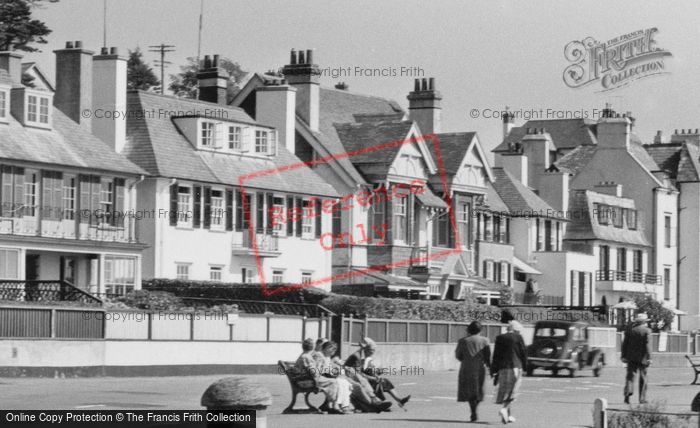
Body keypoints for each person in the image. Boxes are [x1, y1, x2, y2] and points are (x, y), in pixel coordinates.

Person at [345, 337, 411, 408]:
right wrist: (372, 378)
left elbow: (370, 369)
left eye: (374, 350)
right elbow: (358, 374)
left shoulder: (366, 356)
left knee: (384, 381)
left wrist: (377, 373)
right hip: (353, 377)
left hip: (362, 377)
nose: (373, 352)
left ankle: (399, 400)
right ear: (365, 349)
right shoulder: (356, 356)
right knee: (377, 383)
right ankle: (378, 403)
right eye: (371, 350)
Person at [491, 320, 527, 424]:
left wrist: (494, 370)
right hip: (515, 367)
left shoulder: (500, 338)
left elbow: (496, 355)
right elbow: (523, 353)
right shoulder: (518, 337)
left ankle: (508, 415)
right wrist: (525, 367)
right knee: (513, 391)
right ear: (516, 330)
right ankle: (504, 409)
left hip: (502, 368)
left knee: (506, 390)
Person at [456, 321, 491, 422]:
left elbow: (458, 355)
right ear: (480, 330)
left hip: (466, 368)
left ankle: (473, 411)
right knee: (478, 390)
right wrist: (490, 367)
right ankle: (475, 409)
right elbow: (488, 356)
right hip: (480, 368)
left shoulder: (463, 341)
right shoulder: (485, 340)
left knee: (469, 390)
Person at [294, 338, 338, 413]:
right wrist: (320, 369)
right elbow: (313, 372)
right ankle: (332, 404)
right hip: (308, 381)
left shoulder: (303, 355)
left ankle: (330, 404)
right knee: (334, 382)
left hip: (303, 379)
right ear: (313, 346)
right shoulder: (307, 357)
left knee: (332, 381)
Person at [621, 312, 652, 404]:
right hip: (643, 358)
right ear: (644, 322)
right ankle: (642, 398)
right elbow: (648, 345)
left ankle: (627, 395)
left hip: (631, 357)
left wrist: (623, 356)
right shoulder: (647, 331)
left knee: (630, 376)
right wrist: (649, 357)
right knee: (643, 378)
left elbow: (624, 344)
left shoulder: (630, 330)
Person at [317, 341, 354, 414]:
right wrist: (332, 371)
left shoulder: (328, 357)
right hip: (321, 378)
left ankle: (344, 405)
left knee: (345, 383)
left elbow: (329, 368)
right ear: (324, 348)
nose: (333, 350)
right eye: (331, 348)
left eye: (334, 349)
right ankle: (336, 405)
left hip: (328, 376)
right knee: (339, 382)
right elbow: (318, 369)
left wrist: (335, 370)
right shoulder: (320, 356)